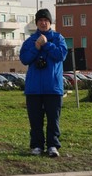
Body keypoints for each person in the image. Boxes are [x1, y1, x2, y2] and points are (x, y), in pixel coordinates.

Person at [20, 8, 68, 158]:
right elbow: (24, 59)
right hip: (33, 89)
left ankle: (53, 145)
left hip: (53, 88)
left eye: (45, 20)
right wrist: (36, 48)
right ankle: (36, 146)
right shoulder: (30, 41)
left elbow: (61, 55)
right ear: (36, 23)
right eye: (40, 20)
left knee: (53, 119)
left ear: (50, 23)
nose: (43, 23)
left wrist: (47, 45)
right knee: (35, 120)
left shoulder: (58, 38)